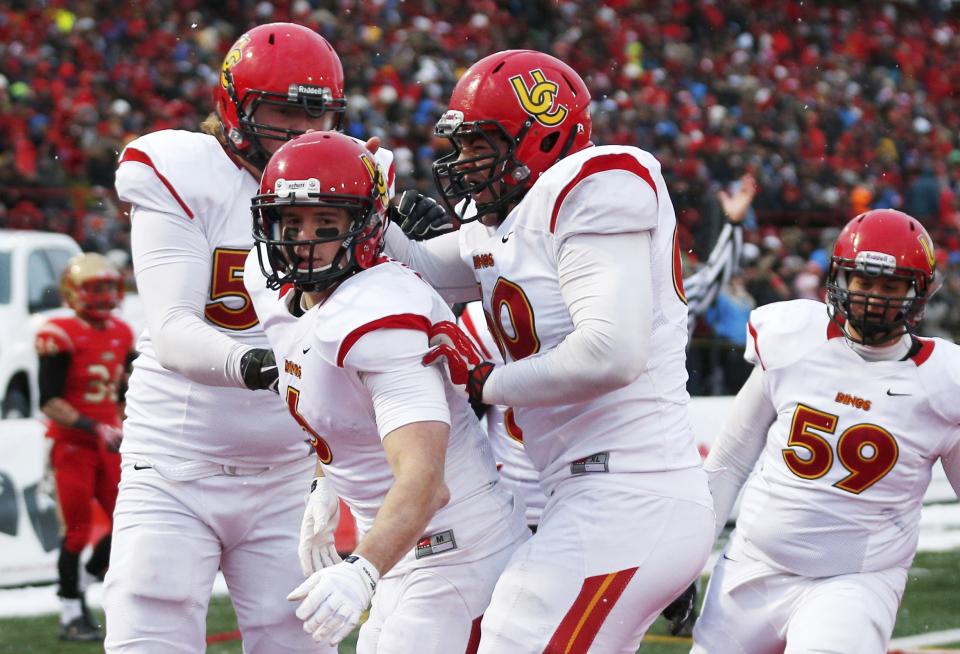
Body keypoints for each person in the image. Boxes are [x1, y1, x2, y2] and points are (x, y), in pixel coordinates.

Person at [383, 49, 714, 652]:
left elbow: (611, 352)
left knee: (518, 634)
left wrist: (487, 382)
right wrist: (372, 217)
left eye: (478, 145)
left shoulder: (592, 183)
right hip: (587, 491)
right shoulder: (504, 224)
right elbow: (421, 268)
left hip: (632, 491)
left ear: (540, 137)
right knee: (508, 627)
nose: (462, 163)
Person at [104, 23, 392, 653]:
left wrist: (407, 232)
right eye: (283, 111)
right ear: (236, 105)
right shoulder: (186, 169)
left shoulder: (339, 180)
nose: (298, 131)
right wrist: (269, 364)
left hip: (286, 471)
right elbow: (176, 332)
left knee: (302, 642)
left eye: (314, 115)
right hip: (175, 463)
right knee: (147, 629)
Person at [243, 131, 527, 651]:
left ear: (368, 228)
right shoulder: (278, 292)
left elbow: (425, 480)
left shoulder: (377, 315)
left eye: (326, 225)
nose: (303, 241)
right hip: (406, 548)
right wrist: (326, 485)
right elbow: (343, 409)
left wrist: (361, 570)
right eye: (291, 221)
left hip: (453, 549)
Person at [692, 209, 960, 654]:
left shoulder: (943, 382)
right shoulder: (793, 337)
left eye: (891, 286)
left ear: (919, 291)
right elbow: (729, 461)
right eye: (864, 282)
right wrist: (685, 561)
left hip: (854, 580)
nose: (875, 298)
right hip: (752, 567)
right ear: (840, 279)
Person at [34, 253, 135, 641]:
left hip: (108, 444)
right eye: (96, 288)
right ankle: (70, 612)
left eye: (110, 287)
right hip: (72, 445)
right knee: (75, 532)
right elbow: (49, 400)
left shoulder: (122, 332)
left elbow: (128, 390)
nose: (106, 295)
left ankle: (89, 576)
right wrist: (94, 426)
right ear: (73, 293)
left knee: (126, 522)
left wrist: (126, 425)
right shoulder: (57, 332)